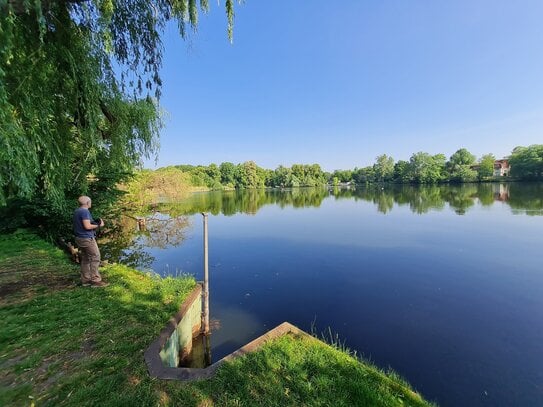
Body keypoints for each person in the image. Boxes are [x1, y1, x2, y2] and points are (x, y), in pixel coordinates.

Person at [73, 196, 108, 287]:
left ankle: (86, 280)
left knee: (86, 259)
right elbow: (87, 226)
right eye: (90, 202)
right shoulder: (85, 211)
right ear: (88, 203)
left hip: (79, 238)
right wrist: (99, 225)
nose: (91, 203)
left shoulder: (77, 211)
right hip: (87, 238)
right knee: (95, 257)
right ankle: (95, 281)